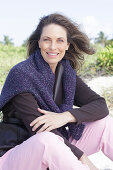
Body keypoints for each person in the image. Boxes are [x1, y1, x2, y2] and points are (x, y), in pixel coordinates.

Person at [0, 13, 112, 170]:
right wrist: (82, 157)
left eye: (60, 40)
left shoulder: (65, 73)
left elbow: (100, 105)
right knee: (47, 140)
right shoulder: (22, 74)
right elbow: (39, 129)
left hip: (57, 143)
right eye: (47, 40)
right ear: (39, 42)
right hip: (14, 155)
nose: (53, 47)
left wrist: (66, 117)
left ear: (67, 45)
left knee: (105, 124)